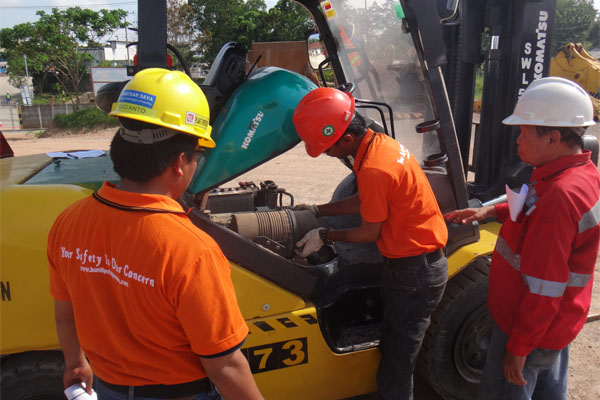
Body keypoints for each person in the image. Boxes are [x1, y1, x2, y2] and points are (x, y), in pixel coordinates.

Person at [48, 68, 263, 400]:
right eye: (198, 157)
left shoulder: (67, 222)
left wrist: (75, 362)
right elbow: (225, 366)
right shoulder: (191, 250)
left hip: (108, 389)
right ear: (180, 163)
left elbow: (65, 314)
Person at [445, 77, 600, 400]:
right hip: (555, 324)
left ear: (553, 137)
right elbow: (534, 207)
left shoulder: (560, 195)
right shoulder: (576, 173)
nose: (517, 141)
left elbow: (546, 286)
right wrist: (491, 213)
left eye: (524, 133)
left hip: (528, 327)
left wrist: (519, 346)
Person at [292, 87, 448, 400]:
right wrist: (318, 211)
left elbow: (368, 233)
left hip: (415, 272)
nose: (325, 153)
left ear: (346, 139)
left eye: (326, 148)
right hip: (407, 266)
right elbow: (365, 200)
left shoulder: (375, 167)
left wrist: (325, 234)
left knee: (397, 359)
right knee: (394, 342)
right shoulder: (381, 145)